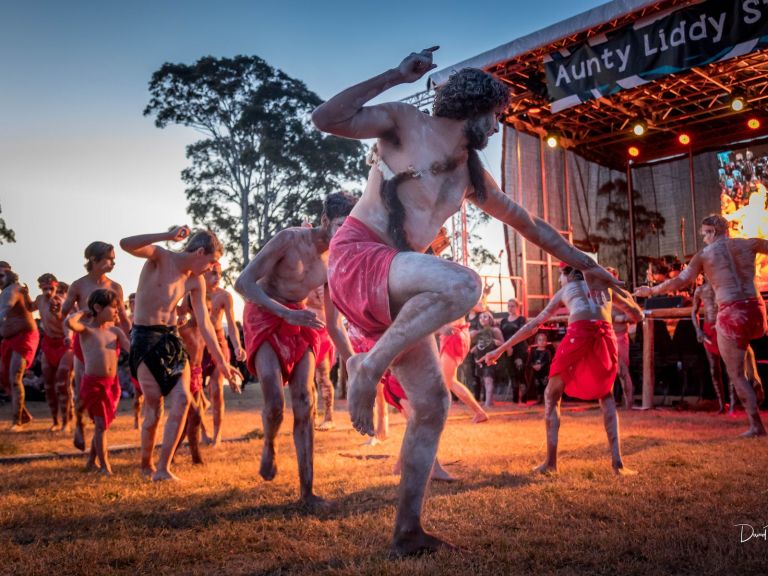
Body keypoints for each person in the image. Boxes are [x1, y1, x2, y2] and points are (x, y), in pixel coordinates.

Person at [312, 47, 621, 555]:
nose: (498, 128)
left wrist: (586, 263)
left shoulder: (472, 175)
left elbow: (531, 225)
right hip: (358, 257)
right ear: (476, 107)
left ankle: (407, 534)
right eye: (497, 116)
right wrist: (394, 73)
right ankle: (367, 368)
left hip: (396, 285)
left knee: (432, 405)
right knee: (464, 284)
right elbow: (327, 118)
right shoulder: (404, 122)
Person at [234, 193, 356, 510]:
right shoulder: (289, 238)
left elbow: (334, 324)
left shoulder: (336, 261)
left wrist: (356, 365)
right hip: (264, 313)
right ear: (326, 220)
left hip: (301, 320)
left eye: (350, 227)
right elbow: (243, 282)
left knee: (305, 399)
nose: (344, 234)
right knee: (274, 399)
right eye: (341, 226)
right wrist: (284, 313)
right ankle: (270, 443)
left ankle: (307, 492)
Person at [483, 264, 643, 475]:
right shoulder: (606, 287)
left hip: (580, 333)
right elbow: (638, 315)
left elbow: (534, 325)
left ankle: (550, 464)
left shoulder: (567, 289)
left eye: (559, 275)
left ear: (568, 275)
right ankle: (617, 464)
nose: (559, 280)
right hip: (606, 336)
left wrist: (501, 349)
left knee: (551, 394)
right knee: (607, 395)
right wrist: (621, 294)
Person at [120, 226, 239, 481]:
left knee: (183, 400)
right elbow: (125, 243)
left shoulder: (195, 281)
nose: (210, 270)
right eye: (210, 262)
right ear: (198, 252)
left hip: (171, 339)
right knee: (154, 406)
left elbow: (206, 324)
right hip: (144, 337)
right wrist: (165, 236)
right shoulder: (160, 257)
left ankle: (163, 469)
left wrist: (223, 363)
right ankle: (146, 464)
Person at [635, 214, 768, 437]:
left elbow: (680, 281)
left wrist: (651, 291)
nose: (703, 238)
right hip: (756, 310)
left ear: (713, 232)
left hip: (731, 311)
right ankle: (755, 378)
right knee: (745, 347)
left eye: (705, 233)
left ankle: (756, 425)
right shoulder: (749, 243)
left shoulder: (705, 255)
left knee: (735, 374)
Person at [61, 241, 131, 451]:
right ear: (93, 259)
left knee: (108, 389)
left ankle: (98, 437)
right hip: (86, 339)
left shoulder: (115, 287)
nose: (113, 262)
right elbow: (65, 313)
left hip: (110, 339)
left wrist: (131, 338)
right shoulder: (78, 285)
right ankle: (80, 427)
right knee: (82, 388)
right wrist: (75, 324)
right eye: (110, 258)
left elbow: (124, 320)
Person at [65, 289, 130, 476]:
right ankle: (104, 467)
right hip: (94, 384)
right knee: (101, 426)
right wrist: (80, 313)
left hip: (113, 385)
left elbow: (130, 348)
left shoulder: (115, 331)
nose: (118, 311)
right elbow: (69, 323)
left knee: (104, 425)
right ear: (97, 307)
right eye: (114, 307)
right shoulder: (86, 330)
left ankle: (92, 461)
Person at [201, 262, 246, 446]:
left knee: (217, 388)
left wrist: (237, 346)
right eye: (213, 273)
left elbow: (232, 324)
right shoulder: (193, 292)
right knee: (196, 392)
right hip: (199, 345)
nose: (217, 276)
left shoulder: (224, 296)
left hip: (219, 343)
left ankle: (217, 435)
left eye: (219, 273)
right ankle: (203, 433)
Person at [32, 274, 74, 431]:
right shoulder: (39, 300)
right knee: (48, 385)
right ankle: (55, 422)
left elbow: (67, 322)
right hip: (48, 344)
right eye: (45, 288)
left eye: (51, 288)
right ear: (40, 288)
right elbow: (29, 308)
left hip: (64, 344)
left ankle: (66, 423)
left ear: (56, 287)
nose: (48, 291)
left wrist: (69, 338)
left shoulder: (61, 302)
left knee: (62, 383)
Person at [0, 268, 39, 430]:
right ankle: (24, 415)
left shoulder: (12, 289)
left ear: (9, 274)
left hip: (24, 337)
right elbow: (30, 307)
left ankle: (17, 422)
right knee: (4, 378)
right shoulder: (11, 291)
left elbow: (4, 309)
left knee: (15, 378)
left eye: (1, 275)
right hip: (9, 339)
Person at [176, 294, 208, 465]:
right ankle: (196, 458)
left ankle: (177, 454)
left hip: (198, 376)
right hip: (184, 376)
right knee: (194, 415)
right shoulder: (182, 330)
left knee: (190, 419)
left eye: (208, 309)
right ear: (190, 309)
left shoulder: (204, 329)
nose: (205, 312)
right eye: (200, 307)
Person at [438, 318, 487, 422]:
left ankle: (479, 412)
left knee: (449, 380)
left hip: (453, 335)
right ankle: (479, 412)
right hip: (454, 334)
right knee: (447, 380)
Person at [606, 267, 638, 410]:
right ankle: (609, 404)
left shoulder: (624, 295)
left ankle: (629, 403)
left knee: (622, 371)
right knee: (607, 372)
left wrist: (621, 318)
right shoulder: (600, 295)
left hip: (619, 337)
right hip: (605, 337)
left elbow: (636, 315)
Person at [306, 285, 337, 431]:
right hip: (304, 333)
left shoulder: (319, 279)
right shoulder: (300, 275)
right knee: (306, 378)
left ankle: (329, 417)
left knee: (322, 377)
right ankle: (313, 416)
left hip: (321, 333)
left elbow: (328, 305)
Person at [470, 311, 503, 407]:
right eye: (480, 317)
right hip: (480, 360)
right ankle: (489, 401)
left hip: (491, 359)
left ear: (490, 319)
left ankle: (488, 403)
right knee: (484, 381)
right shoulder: (479, 332)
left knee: (489, 380)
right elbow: (481, 344)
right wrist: (475, 348)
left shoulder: (495, 330)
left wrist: (495, 342)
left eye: (485, 317)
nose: (482, 319)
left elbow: (504, 345)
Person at [499, 298, 528, 403]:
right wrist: (506, 347)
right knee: (512, 374)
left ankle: (524, 399)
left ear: (517, 307)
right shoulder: (503, 321)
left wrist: (511, 345)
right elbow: (501, 336)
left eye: (512, 306)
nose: (510, 308)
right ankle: (515, 399)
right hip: (508, 350)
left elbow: (521, 334)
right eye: (509, 306)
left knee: (520, 373)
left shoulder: (521, 319)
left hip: (519, 349)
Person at [526, 332, 553, 404]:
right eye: (540, 340)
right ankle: (539, 399)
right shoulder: (533, 351)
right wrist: (533, 366)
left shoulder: (547, 352)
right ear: (536, 341)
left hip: (544, 372)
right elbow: (529, 361)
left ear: (546, 342)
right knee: (537, 385)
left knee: (545, 385)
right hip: (536, 372)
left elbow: (548, 361)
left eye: (544, 340)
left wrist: (541, 365)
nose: (542, 342)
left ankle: (546, 399)